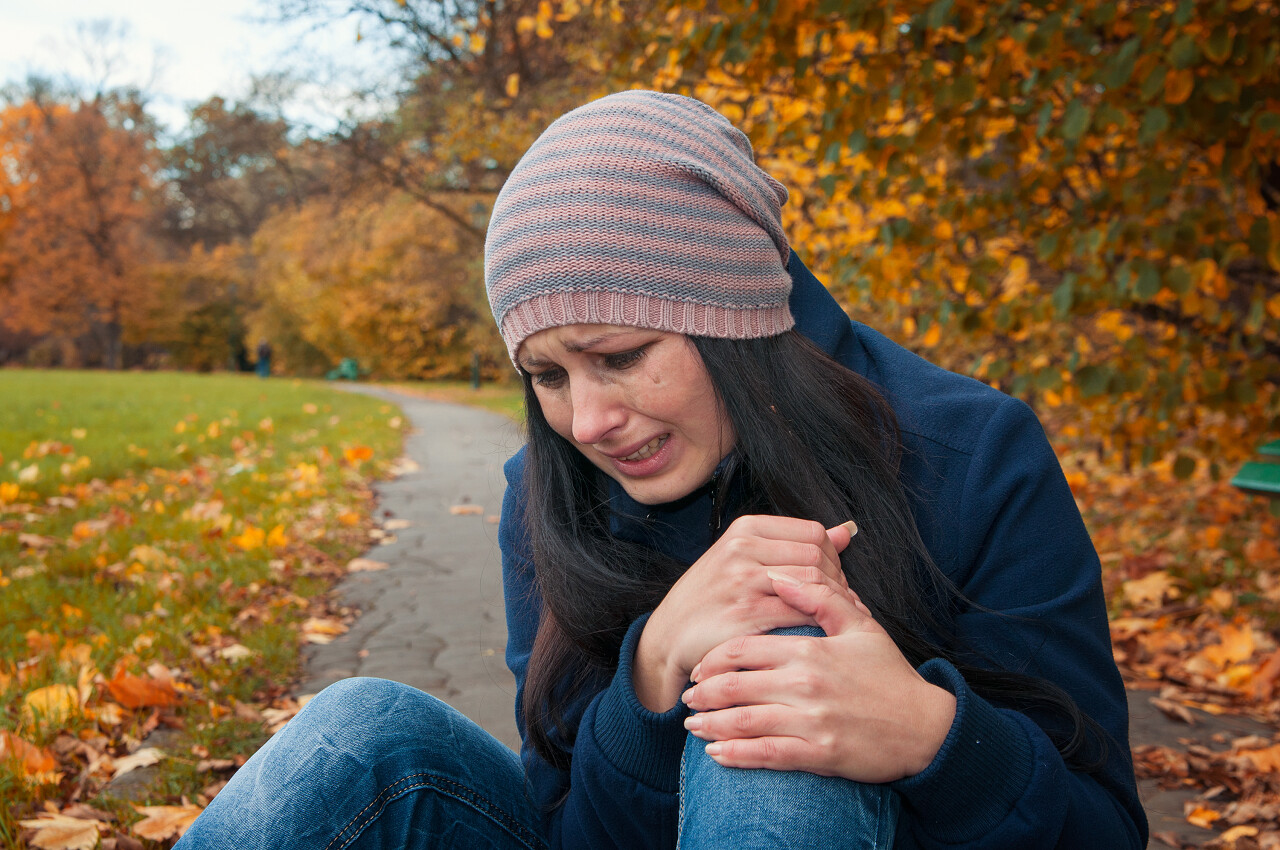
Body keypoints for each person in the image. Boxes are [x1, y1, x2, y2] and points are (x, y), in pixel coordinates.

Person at [177, 91, 1146, 849]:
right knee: (358, 730)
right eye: (547, 376)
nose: (587, 420)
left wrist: (934, 739)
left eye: (621, 353)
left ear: (733, 320)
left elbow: (1103, 829)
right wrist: (645, 677)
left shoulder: (972, 451)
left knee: (767, 715)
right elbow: (568, 828)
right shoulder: (544, 488)